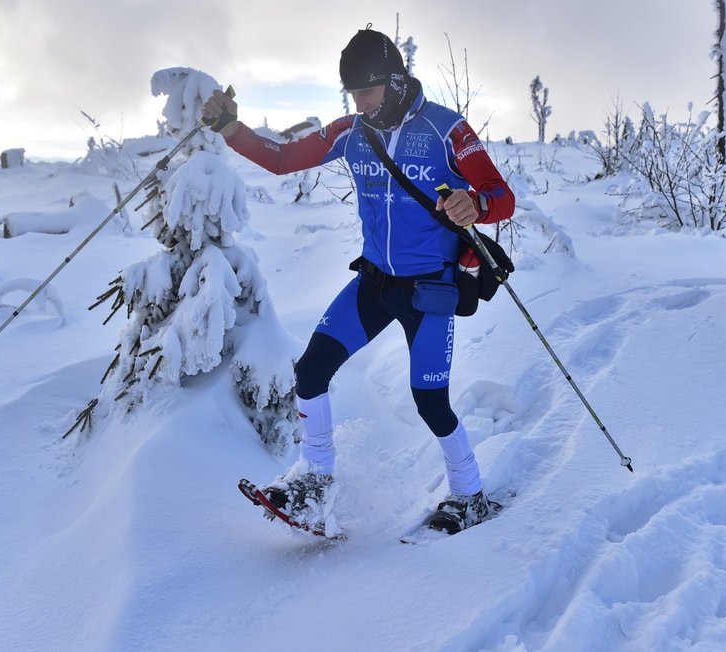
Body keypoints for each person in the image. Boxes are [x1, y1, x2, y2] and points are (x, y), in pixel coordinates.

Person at [203, 26, 515, 534]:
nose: (361, 103)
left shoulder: (447, 130)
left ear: (393, 81)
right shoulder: (352, 131)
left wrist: (475, 204)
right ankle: (314, 480)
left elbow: (501, 196)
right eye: (352, 94)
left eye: (367, 91)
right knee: (310, 373)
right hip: (374, 284)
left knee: (430, 401)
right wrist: (232, 129)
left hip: (430, 290)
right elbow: (284, 159)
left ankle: (469, 494)